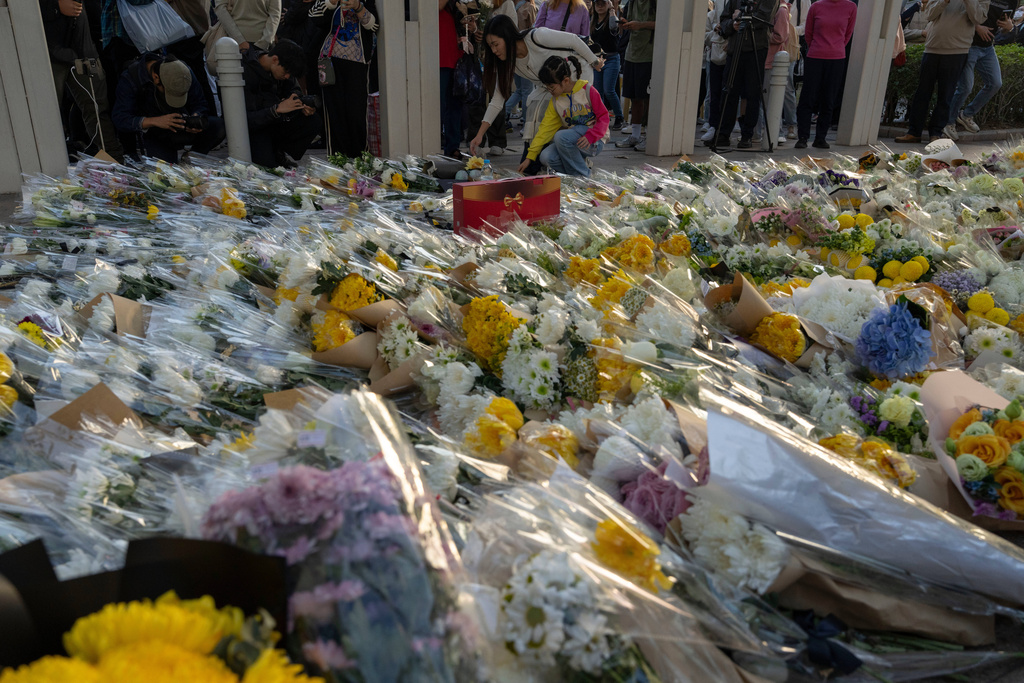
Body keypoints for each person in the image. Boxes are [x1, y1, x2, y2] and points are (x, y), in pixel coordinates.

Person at [470, 15, 602, 165]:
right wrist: (480, 135)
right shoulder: (506, 62)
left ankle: (579, 160)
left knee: (568, 116)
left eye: (496, 44)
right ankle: (536, 158)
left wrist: (594, 61)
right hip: (549, 85)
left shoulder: (537, 37)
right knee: (533, 104)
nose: (494, 50)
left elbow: (573, 40)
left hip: (575, 75)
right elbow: (497, 101)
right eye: (490, 46)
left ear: (507, 37)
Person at [41, 0, 125, 162]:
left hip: (84, 49)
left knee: (97, 108)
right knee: (46, 114)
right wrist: (55, 7)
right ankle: (49, 166)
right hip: (46, 50)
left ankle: (114, 160)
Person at [895, 0, 989, 144]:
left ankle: (936, 134)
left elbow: (978, 18)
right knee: (922, 93)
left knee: (946, 95)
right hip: (932, 47)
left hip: (958, 50)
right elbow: (930, 15)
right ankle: (914, 132)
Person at [111, 54, 225, 162]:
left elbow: (200, 103)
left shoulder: (183, 72)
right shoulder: (131, 78)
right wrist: (154, 121)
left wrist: (196, 117)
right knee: (167, 174)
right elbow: (120, 118)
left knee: (219, 126)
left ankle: (192, 158)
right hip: (156, 134)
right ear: (156, 78)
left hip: (182, 127)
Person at [518, 56, 608, 176]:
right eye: (547, 87)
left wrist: (592, 136)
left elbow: (604, 116)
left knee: (560, 136)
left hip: (594, 141)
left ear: (565, 80)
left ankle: (583, 177)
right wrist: (530, 157)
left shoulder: (587, 90)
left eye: (552, 87)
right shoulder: (556, 101)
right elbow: (545, 130)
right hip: (571, 142)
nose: (549, 91)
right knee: (546, 157)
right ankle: (576, 175)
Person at [310, 0, 378, 157]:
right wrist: (331, 2)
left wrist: (358, 7)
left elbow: (374, 26)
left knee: (356, 113)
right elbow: (313, 17)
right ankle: (337, 160)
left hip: (357, 63)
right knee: (334, 113)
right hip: (330, 62)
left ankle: (359, 159)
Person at [241, 40, 322, 167]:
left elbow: (294, 90)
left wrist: (299, 104)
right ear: (274, 59)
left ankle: (278, 151)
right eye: (286, 73)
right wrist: (276, 109)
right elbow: (246, 119)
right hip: (254, 127)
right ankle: (271, 153)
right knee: (267, 167)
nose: (287, 76)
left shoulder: (283, 68)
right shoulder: (246, 70)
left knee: (312, 120)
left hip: (274, 121)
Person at [948, 0, 1018, 137]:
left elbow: (1005, 24)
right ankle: (949, 122)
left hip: (988, 48)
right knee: (965, 87)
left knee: (995, 83)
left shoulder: (1013, 1)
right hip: (969, 44)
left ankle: (966, 114)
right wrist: (976, 26)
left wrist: (1009, 27)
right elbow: (963, 11)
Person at [712, 0, 776, 150]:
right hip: (735, 50)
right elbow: (724, 20)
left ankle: (747, 134)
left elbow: (762, 19)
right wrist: (733, 24)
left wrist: (739, 17)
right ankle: (723, 133)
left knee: (753, 93)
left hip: (756, 49)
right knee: (728, 91)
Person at [795, 0, 856, 149]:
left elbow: (848, 34)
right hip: (815, 56)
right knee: (807, 97)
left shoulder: (851, 7)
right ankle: (803, 136)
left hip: (836, 58)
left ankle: (820, 138)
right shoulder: (816, 6)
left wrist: (836, 47)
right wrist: (818, 47)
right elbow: (808, 33)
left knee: (829, 99)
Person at [615, 0, 655, 152]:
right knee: (634, 97)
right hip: (631, 53)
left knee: (647, 98)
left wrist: (641, 25)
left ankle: (649, 136)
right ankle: (635, 135)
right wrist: (625, 24)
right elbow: (632, 22)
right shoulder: (631, 2)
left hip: (649, 54)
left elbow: (665, 24)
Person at [165, 0, 217, 113]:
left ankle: (199, 114)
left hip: (184, 31)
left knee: (186, 75)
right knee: (199, 75)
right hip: (197, 28)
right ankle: (208, 113)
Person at [209, 0, 282, 67]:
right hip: (262, 45)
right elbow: (275, 14)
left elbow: (221, 9)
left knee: (231, 79)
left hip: (233, 42)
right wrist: (263, 43)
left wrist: (239, 40)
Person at [591, 0, 624, 129]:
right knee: (598, 91)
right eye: (597, 3)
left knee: (608, 90)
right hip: (597, 60)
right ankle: (602, 118)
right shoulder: (592, 22)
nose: (599, 6)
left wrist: (611, 10)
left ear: (608, 4)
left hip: (612, 58)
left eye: (603, 3)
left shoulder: (612, 18)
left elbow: (614, 27)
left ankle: (619, 116)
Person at [505, 0, 539, 126]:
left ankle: (503, 113)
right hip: (525, 52)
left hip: (512, 52)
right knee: (527, 91)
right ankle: (526, 121)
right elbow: (534, 30)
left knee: (519, 90)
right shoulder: (529, 7)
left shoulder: (510, 6)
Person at [440, 0, 466, 157]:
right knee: (439, 104)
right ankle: (436, 144)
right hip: (438, 56)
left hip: (456, 55)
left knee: (455, 103)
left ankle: (452, 146)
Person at [702, 0, 728, 144]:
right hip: (716, 49)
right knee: (714, 92)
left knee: (728, 93)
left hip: (730, 47)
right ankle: (713, 125)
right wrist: (715, 29)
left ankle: (723, 128)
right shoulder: (715, 8)